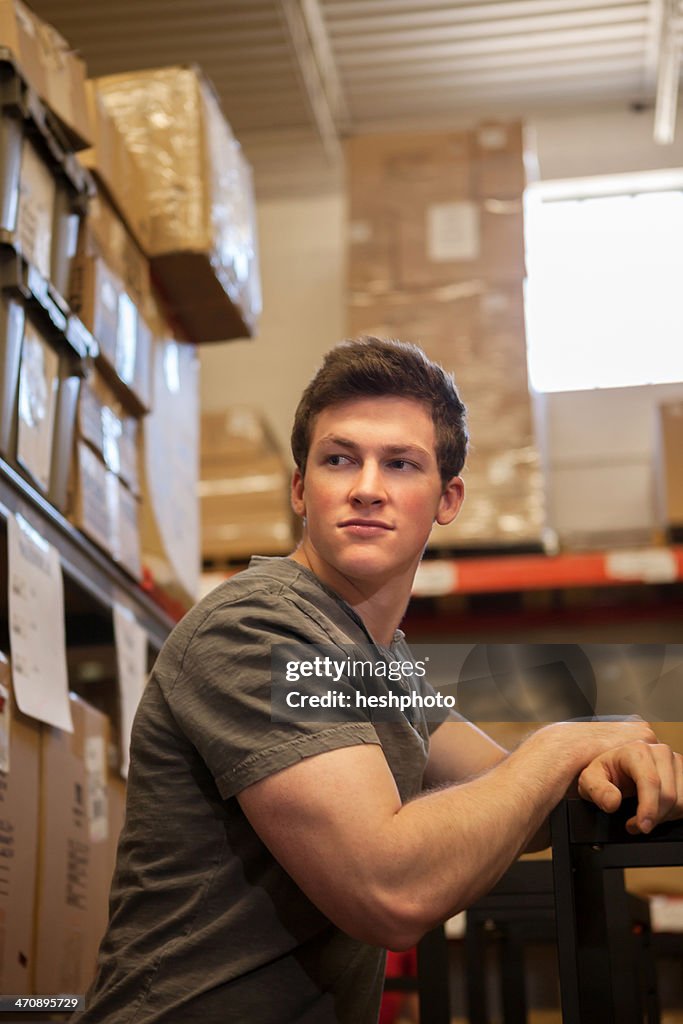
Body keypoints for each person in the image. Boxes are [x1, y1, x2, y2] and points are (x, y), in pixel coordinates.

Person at [80, 337, 683, 1024]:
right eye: (340, 459)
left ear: (447, 498)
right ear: (301, 489)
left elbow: (515, 793)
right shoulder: (261, 628)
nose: (367, 486)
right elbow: (389, 889)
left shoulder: (374, 663)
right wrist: (561, 745)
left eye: (399, 463)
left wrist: (614, 754)